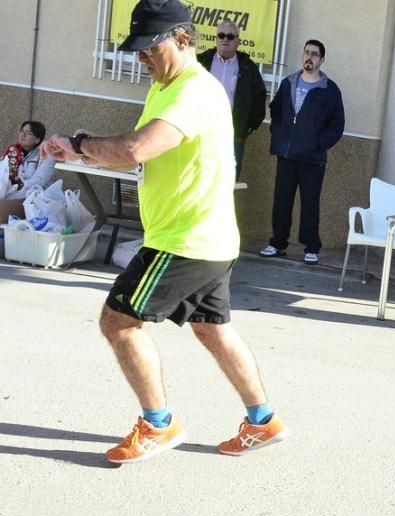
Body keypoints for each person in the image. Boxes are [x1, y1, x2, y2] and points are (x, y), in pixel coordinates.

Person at [40, 0, 288, 463]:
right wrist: (82, 156)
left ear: (181, 38)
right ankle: (263, 419)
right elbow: (146, 154)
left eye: (148, 47)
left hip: (183, 241)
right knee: (213, 329)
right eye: (135, 50)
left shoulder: (193, 91)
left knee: (118, 322)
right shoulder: (165, 88)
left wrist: (78, 143)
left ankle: (158, 424)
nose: (141, 57)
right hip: (208, 239)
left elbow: (137, 147)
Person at [259, 39, 345, 265]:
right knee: (282, 201)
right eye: (306, 52)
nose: (309, 57)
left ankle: (311, 246)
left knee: (310, 203)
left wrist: (318, 143)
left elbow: (337, 124)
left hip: (312, 158)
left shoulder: (329, 90)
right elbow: (275, 111)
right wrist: (278, 135)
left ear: (322, 60)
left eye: (315, 54)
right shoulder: (288, 83)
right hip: (286, 154)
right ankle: (277, 243)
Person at [196, 19, 267, 180]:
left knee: (227, 181)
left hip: (233, 136)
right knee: (198, 177)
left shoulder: (248, 67)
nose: (225, 40)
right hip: (201, 133)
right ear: (216, 39)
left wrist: (247, 128)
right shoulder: (201, 62)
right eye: (221, 35)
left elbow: (259, 97)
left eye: (230, 36)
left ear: (238, 41)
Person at [4, 121, 55, 192]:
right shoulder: (12, 152)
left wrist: (16, 186)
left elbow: (40, 180)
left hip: (38, 196)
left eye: (28, 133)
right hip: (14, 193)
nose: (23, 135)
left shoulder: (47, 155)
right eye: (22, 131)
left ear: (37, 140)